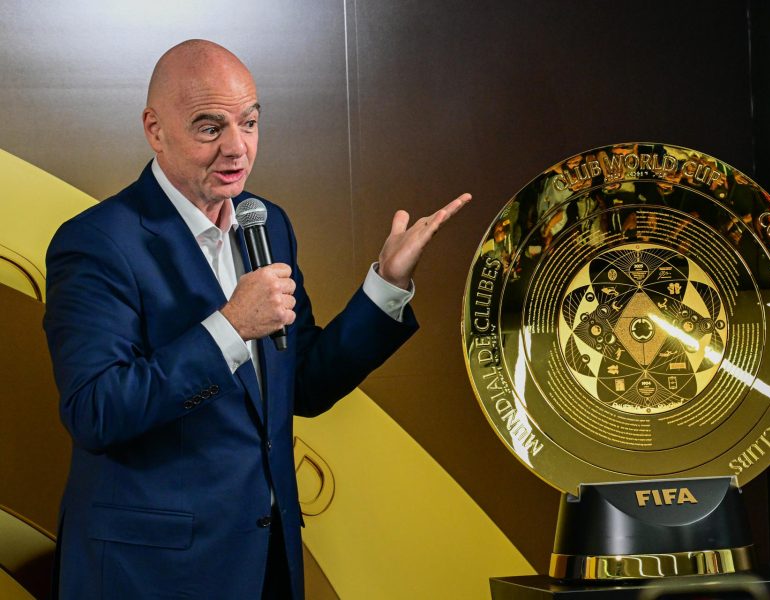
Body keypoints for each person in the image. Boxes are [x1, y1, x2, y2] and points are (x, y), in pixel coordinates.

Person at [42, 39, 470, 599]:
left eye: (249, 123)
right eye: (209, 127)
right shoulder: (96, 242)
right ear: (155, 130)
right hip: (148, 574)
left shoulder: (267, 224)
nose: (237, 148)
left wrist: (385, 285)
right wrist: (230, 327)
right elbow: (97, 411)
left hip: (264, 564)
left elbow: (303, 385)